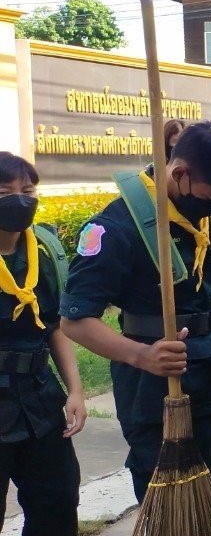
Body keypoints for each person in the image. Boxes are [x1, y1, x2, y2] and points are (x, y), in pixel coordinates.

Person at [61, 122, 211, 522]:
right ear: (180, 174)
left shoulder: (210, 218)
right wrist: (143, 356)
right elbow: (76, 320)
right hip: (151, 388)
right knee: (169, 507)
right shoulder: (115, 228)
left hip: (208, 370)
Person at [0, 152, 85, 536]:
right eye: (5, 192)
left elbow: (54, 326)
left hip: (39, 399)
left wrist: (76, 390)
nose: (19, 200)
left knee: (58, 500)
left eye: (27, 190)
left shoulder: (43, 252)